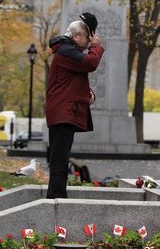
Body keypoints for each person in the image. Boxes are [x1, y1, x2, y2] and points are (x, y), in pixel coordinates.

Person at [45, 13, 104, 198]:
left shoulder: (66, 50)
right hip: (63, 113)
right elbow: (90, 62)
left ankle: (54, 196)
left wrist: (87, 94)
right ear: (77, 36)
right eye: (87, 38)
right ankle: (57, 198)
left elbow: (71, 80)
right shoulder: (66, 50)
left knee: (59, 158)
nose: (88, 43)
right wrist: (96, 46)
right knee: (59, 160)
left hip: (62, 111)